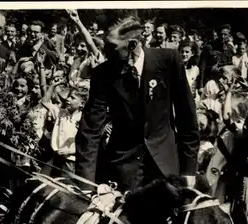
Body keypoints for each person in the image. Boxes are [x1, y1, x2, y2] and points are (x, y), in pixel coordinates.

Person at [76, 16, 199, 195]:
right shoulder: (103, 74)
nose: (105, 51)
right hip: (124, 170)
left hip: (167, 165)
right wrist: (85, 185)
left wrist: (189, 169)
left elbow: (186, 116)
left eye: (112, 47)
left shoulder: (169, 61)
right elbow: (90, 130)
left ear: (132, 44)